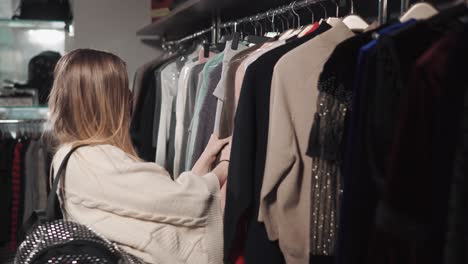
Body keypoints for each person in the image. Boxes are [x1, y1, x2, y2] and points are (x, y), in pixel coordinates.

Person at [46, 49, 230, 264]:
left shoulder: (70, 154)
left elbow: (159, 199)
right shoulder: (95, 159)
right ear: (108, 100)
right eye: (123, 90)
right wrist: (225, 165)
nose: (130, 95)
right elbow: (180, 201)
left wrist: (206, 157)